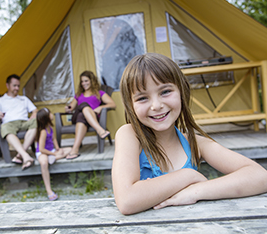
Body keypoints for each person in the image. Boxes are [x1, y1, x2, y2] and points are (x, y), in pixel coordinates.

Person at [112, 53, 267, 215]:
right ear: (131, 105)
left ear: (182, 91)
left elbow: (260, 176)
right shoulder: (130, 135)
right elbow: (126, 201)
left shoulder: (195, 143)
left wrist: (197, 191)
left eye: (165, 92)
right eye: (142, 98)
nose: (156, 105)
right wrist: (188, 176)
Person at [0, 74, 37, 171]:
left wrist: (34, 114)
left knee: (37, 121)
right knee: (4, 128)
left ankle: (20, 155)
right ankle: (25, 155)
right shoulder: (0, 101)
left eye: (18, 86)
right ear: (7, 86)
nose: (17, 88)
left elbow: (35, 110)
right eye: (14, 85)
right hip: (10, 124)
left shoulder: (24, 99)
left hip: (24, 122)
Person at [65, 71, 116, 159]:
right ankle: (100, 130)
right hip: (76, 117)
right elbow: (72, 107)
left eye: (86, 81)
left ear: (92, 81)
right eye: (82, 81)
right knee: (84, 106)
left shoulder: (99, 93)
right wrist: (68, 108)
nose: (84, 83)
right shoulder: (79, 95)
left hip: (91, 118)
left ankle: (74, 150)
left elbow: (113, 104)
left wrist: (101, 107)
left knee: (82, 116)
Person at [36, 108, 72, 201]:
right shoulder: (43, 131)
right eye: (50, 113)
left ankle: (54, 158)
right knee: (44, 163)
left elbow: (54, 139)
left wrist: (57, 148)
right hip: (43, 152)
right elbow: (41, 149)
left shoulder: (50, 128)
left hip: (51, 151)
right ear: (46, 118)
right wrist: (54, 153)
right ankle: (49, 191)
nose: (52, 114)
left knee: (70, 150)